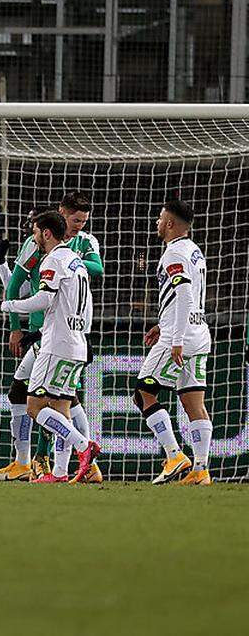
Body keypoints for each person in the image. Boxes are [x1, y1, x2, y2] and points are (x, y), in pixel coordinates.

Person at [0, 192, 103, 482]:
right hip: (76, 340)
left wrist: (6, 306)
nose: (33, 236)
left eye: (37, 231)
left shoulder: (53, 260)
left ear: (47, 233)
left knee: (35, 407)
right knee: (62, 406)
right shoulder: (77, 263)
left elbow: (41, 299)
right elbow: (85, 301)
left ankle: (82, 445)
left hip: (54, 343)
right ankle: (59, 471)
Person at [136, 200, 213, 485]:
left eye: (159, 218)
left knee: (143, 392)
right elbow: (184, 297)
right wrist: (162, 322)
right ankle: (201, 470)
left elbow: (184, 295)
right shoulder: (194, 251)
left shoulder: (174, 253)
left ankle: (174, 455)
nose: (156, 223)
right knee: (194, 402)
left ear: (169, 223)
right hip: (199, 331)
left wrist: (175, 338)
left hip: (179, 337)